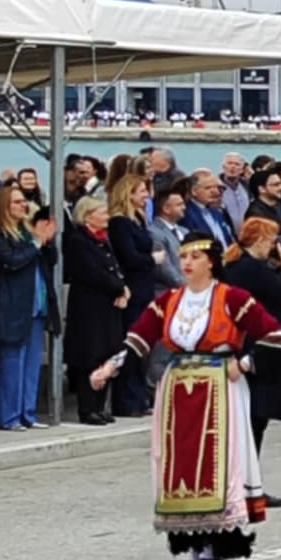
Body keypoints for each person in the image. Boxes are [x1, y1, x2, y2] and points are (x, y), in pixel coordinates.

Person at [90, 234, 281, 560]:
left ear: (210, 261)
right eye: (183, 256)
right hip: (178, 390)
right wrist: (110, 367)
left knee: (215, 466)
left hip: (219, 388)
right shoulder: (170, 300)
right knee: (182, 467)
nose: (187, 262)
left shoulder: (233, 298)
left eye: (194, 256)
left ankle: (213, 549)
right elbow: (139, 337)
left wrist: (242, 363)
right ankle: (195, 547)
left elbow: (274, 335)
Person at [224, 218, 281, 509]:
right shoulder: (250, 269)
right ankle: (246, 486)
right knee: (256, 416)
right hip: (259, 345)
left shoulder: (237, 266)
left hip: (246, 342)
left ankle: (244, 483)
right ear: (260, 241)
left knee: (252, 417)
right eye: (271, 240)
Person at [0, 188, 59, 430]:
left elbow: (50, 260)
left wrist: (45, 242)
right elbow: (13, 261)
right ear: (5, 205)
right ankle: (9, 416)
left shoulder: (27, 231)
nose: (23, 205)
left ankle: (28, 413)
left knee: (33, 362)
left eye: (24, 201)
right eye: (17, 202)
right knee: (13, 361)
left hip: (37, 303)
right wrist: (36, 242)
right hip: (13, 304)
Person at [62, 196, 129, 426]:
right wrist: (119, 287)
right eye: (102, 212)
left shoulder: (103, 239)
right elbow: (92, 273)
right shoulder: (78, 241)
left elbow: (114, 267)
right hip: (89, 308)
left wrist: (122, 288)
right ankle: (87, 408)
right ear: (88, 215)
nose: (107, 216)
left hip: (108, 305)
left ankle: (101, 406)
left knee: (108, 353)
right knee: (89, 355)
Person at [106, 176, 160, 417]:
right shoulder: (120, 223)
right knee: (130, 343)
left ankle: (139, 398)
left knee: (142, 345)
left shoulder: (138, 220)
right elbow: (129, 257)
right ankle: (126, 400)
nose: (146, 196)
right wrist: (153, 260)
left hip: (144, 287)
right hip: (133, 287)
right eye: (141, 192)